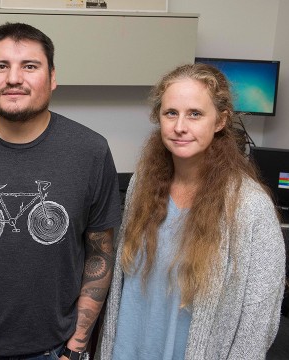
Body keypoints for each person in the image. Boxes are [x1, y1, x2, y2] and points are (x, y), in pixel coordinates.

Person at [0, 22, 121, 359]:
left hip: (53, 349)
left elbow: (100, 253)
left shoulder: (91, 151)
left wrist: (75, 347)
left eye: (29, 66)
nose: (13, 78)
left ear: (53, 77)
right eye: (0, 66)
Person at [97, 63, 286, 359]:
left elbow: (258, 324)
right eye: (171, 113)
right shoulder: (141, 185)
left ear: (220, 121)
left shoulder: (249, 206)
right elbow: (125, 288)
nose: (180, 126)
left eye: (195, 114)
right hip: (128, 349)